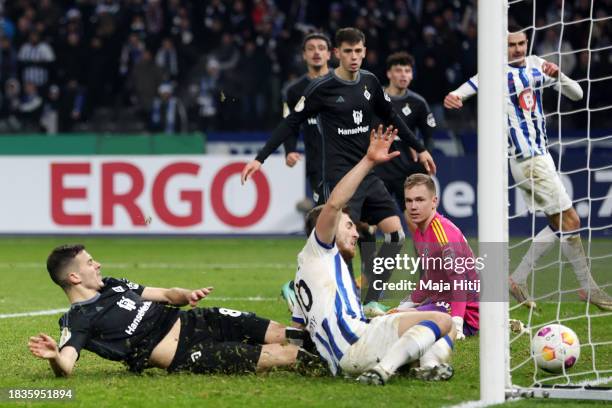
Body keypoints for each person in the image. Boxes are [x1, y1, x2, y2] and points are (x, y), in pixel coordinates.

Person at [242, 28, 436, 314]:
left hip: (368, 174)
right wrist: (261, 158)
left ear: (364, 51)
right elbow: (292, 122)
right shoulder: (322, 88)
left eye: (358, 51)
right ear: (337, 54)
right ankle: (304, 288)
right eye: (348, 51)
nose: (354, 57)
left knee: (395, 236)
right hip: (339, 177)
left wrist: (419, 147)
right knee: (341, 243)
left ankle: (369, 300)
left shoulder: (370, 82)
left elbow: (392, 116)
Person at [443, 25, 612, 311]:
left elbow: (577, 94)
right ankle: (588, 288)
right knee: (571, 222)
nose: (518, 49)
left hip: (541, 157)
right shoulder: (493, 73)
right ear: (501, 47)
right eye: (512, 45)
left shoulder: (536, 65)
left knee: (562, 223)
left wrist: (558, 74)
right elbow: (461, 92)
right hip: (527, 160)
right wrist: (453, 97)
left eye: (522, 43)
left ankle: (519, 280)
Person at [292, 125, 454, 386]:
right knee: (443, 319)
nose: (356, 233)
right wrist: (368, 161)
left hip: (348, 354)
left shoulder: (311, 272)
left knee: (430, 328)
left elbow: (298, 330)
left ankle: (427, 367)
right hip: (358, 344)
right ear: (327, 230)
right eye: (348, 226)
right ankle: (385, 370)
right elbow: (333, 204)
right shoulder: (320, 249)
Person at [28, 244, 320, 377]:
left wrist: (187, 295)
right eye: (90, 262)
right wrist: (55, 357)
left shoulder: (113, 284)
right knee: (283, 355)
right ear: (74, 278)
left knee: (285, 334)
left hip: (197, 319)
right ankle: (344, 368)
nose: (98, 264)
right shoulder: (78, 320)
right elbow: (66, 365)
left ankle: (334, 345)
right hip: (185, 352)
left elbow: (166, 294)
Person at [390, 174, 480, 341]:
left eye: (419, 200)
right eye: (409, 201)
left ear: (434, 201)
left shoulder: (443, 234)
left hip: (466, 313)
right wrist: (405, 305)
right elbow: (429, 278)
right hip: (442, 302)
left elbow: (460, 282)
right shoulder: (420, 231)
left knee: (397, 321)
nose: (413, 206)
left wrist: (457, 326)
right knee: (397, 315)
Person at [375, 52, 436, 214]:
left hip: (406, 170)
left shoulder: (418, 103)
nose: (403, 75)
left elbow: (429, 136)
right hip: (377, 170)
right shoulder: (375, 98)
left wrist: (421, 162)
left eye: (407, 71)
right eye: (398, 70)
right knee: (370, 221)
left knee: (414, 218)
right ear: (389, 73)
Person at [282, 32, 331, 204]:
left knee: (354, 217)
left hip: (348, 162)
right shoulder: (293, 91)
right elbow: (289, 125)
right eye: (311, 49)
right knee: (326, 214)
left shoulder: (343, 83)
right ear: (304, 55)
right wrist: (289, 150)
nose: (316, 52)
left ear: (329, 54)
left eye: (321, 48)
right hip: (316, 164)